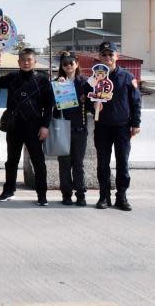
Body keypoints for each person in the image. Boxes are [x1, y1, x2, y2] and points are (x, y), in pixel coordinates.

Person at [0, 47, 54, 206]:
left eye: (29, 60)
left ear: (34, 61)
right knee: (11, 160)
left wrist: (45, 126)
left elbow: (49, 106)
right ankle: (8, 190)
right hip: (14, 125)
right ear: (18, 62)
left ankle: (42, 194)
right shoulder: (12, 77)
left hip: (34, 126)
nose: (26, 63)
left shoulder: (43, 79)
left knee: (38, 161)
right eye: (23, 60)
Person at [93, 41, 141, 211]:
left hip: (122, 127)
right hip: (102, 127)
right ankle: (104, 197)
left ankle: (122, 196)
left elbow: (136, 101)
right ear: (99, 57)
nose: (107, 58)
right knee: (102, 164)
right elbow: (84, 97)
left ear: (116, 56)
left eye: (110, 54)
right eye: (104, 55)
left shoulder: (127, 77)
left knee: (123, 163)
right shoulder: (94, 78)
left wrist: (136, 123)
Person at [53, 51, 92, 206]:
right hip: (62, 128)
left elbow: (92, 105)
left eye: (71, 62)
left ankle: (81, 194)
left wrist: (86, 100)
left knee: (78, 164)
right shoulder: (57, 82)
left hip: (80, 128)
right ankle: (66, 194)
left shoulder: (85, 82)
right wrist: (58, 87)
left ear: (76, 64)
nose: (69, 66)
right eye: (65, 63)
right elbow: (52, 106)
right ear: (61, 66)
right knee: (64, 164)